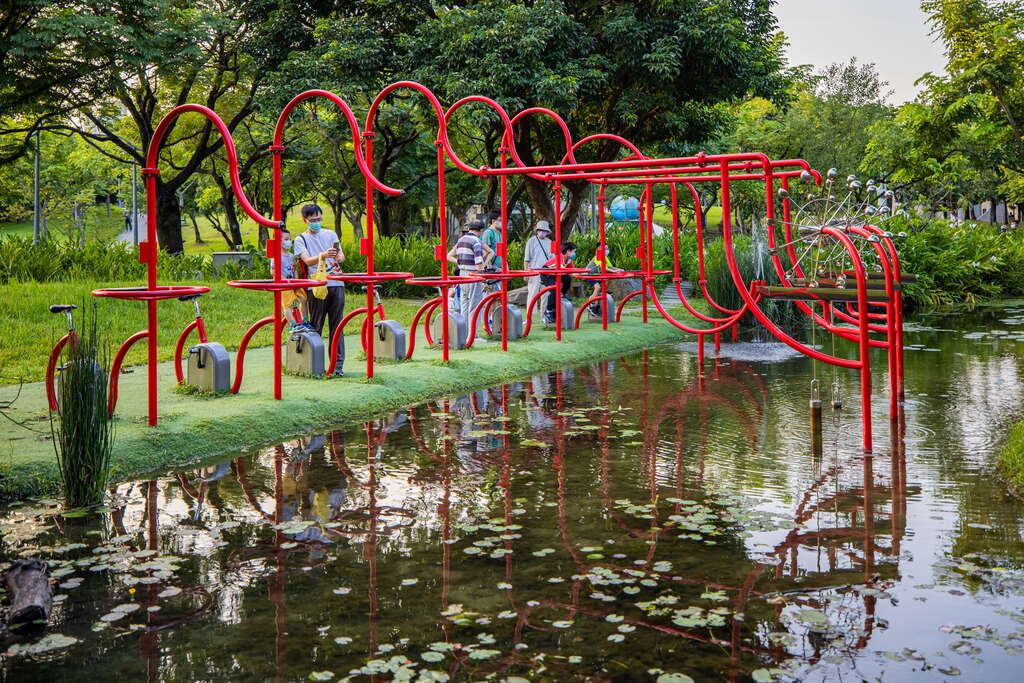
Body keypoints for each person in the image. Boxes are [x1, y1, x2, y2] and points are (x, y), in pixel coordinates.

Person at [293, 204, 347, 376]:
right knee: (316, 325)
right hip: (316, 285)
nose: (316, 222)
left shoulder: (330, 234)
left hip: (336, 283)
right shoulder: (300, 239)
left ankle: (337, 366)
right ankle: (314, 364)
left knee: (337, 325)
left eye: (318, 219)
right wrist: (323, 255)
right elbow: (308, 261)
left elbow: (341, 256)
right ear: (305, 220)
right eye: (312, 220)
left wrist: (337, 256)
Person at [446, 220, 493, 340]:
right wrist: (482, 271)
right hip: (473, 275)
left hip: (462, 274)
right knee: (474, 306)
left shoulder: (461, 240)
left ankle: (464, 334)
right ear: (481, 231)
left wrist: (461, 263)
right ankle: (473, 335)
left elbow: (448, 256)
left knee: (464, 306)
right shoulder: (476, 241)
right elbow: (478, 263)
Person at [279, 226, 313, 336]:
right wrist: (284, 281)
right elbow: (274, 272)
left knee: (303, 299)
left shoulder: (291, 256)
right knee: (287, 304)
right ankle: (293, 324)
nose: (289, 242)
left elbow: (295, 270)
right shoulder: (277, 256)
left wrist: (297, 281)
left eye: (289, 239)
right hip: (285, 284)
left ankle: (305, 321)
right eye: (286, 239)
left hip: (294, 282)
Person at [540, 241, 577, 324]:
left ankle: (563, 294)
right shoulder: (560, 256)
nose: (575, 253)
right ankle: (548, 311)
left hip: (554, 274)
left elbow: (573, 271)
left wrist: (583, 274)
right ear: (568, 251)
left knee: (567, 278)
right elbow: (560, 268)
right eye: (574, 251)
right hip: (546, 273)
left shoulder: (569, 259)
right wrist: (565, 266)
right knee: (555, 289)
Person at [582, 244, 624, 315]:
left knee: (606, 279)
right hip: (588, 275)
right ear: (599, 249)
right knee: (597, 287)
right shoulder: (597, 257)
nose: (607, 250)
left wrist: (619, 269)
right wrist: (615, 271)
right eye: (605, 249)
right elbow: (603, 268)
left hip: (595, 275)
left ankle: (597, 295)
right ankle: (591, 305)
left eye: (607, 248)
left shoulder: (605, 257)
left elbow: (610, 267)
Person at [523, 220, 553, 315]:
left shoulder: (550, 242)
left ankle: (544, 315)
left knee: (546, 294)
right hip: (534, 271)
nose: (542, 232)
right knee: (532, 294)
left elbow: (552, 259)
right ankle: (529, 316)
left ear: (547, 232)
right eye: (540, 230)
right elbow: (526, 259)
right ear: (537, 230)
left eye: (544, 231)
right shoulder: (531, 241)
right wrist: (526, 272)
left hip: (546, 272)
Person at [481, 209, 503, 289]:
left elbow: (501, 251)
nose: (502, 222)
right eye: (500, 220)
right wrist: (489, 267)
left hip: (499, 268)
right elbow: (486, 251)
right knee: (491, 295)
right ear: (493, 221)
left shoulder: (500, 233)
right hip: (492, 268)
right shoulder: (488, 233)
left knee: (498, 295)